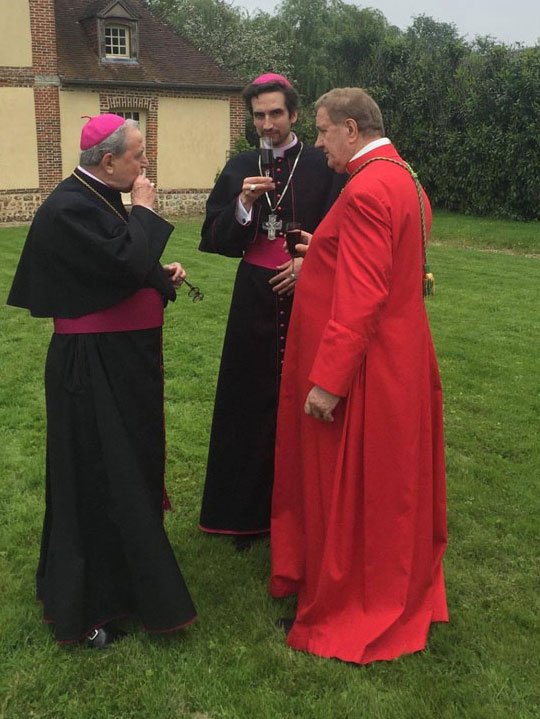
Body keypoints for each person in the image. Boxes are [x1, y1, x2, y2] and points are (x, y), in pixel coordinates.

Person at [269, 88, 448, 664]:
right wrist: (324, 251)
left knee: (360, 490)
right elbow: (398, 266)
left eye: (321, 131)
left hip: (369, 368)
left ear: (351, 128)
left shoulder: (368, 186)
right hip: (401, 357)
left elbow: (366, 293)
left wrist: (330, 380)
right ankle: (389, 581)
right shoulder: (405, 178)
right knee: (392, 486)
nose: (317, 143)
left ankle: (355, 600)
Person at [7, 114, 197, 648]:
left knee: (125, 475)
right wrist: (146, 210)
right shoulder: (69, 205)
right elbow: (125, 255)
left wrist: (160, 275)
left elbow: (119, 269)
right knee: (94, 481)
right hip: (90, 369)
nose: (144, 166)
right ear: (109, 160)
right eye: (138, 156)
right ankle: (89, 605)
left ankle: (127, 587)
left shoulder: (96, 196)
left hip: (117, 362)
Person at [198, 73, 343, 547]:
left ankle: (306, 511)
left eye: (275, 113)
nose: (267, 124)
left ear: (294, 114)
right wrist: (242, 203)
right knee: (250, 401)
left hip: (310, 292)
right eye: (259, 115)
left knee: (304, 400)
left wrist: (308, 264)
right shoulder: (241, 164)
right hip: (254, 297)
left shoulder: (322, 164)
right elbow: (214, 237)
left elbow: (347, 236)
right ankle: (248, 517)